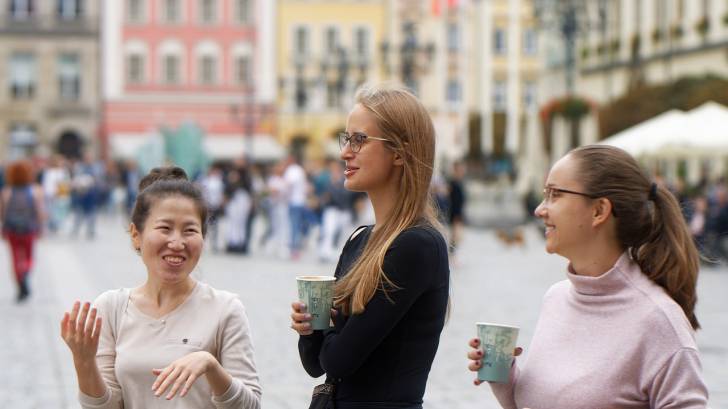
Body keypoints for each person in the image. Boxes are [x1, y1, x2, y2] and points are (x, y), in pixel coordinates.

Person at [466, 145, 708, 408]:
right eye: (545, 195)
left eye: (555, 195)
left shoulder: (659, 321)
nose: (539, 209)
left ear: (599, 211)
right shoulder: (556, 297)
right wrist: (502, 374)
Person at [290, 83, 450, 409]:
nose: (345, 152)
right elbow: (316, 365)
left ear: (400, 152)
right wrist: (309, 328)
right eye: (346, 139)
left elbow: (338, 361)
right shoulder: (360, 239)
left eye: (360, 140)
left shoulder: (416, 245)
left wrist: (328, 324)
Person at [60, 166, 261, 409]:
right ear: (136, 235)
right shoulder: (111, 308)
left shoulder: (225, 309)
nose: (177, 243)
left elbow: (251, 406)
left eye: (190, 230)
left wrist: (211, 366)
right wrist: (83, 362)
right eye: (165, 228)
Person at [1, 160, 45, 302]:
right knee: (29, 256)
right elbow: (39, 212)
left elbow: (3, 214)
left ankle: (20, 286)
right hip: (29, 229)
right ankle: (25, 271)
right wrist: (40, 228)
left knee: (15, 258)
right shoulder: (36, 191)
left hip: (12, 230)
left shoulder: (7, 192)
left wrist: (3, 229)